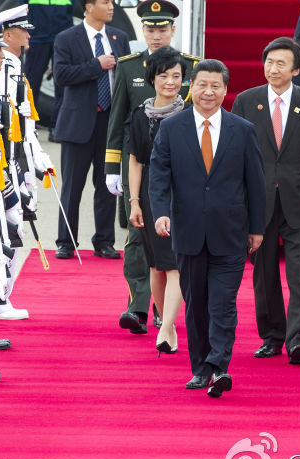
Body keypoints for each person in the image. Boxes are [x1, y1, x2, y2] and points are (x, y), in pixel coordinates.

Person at [148, 59, 266, 398]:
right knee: (196, 305)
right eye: (202, 85)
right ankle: (200, 369)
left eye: (216, 86)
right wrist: (160, 213)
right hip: (187, 231)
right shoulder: (172, 128)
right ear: (191, 87)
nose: (208, 92)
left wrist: (257, 227)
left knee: (222, 304)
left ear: (225, 90)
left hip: (230, 232)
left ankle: (218, 366)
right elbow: (159, 175)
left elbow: (255, 183)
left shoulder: (242, 129)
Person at [105, 0, 200, 337]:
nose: (156, 34)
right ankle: (139, 307)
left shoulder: (192, 67)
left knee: (172, 243)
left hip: (180, 172)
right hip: (139, 166)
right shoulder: (129, 66)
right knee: (137, 238)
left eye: (162, 29)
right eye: (150, 28)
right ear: (142, 30)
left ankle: (164, 310)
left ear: (173, 30)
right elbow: (118, 119)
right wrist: (112, 167)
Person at [231, 37, 300, 365]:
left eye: (281, 63)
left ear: (295, 70)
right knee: (264, 274)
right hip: (259, 202)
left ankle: (296, 339)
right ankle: (272, 336)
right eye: (269, 62)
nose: (273, 69)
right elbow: (235, 156)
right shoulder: (246, 101)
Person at [53, 0, 130, 260]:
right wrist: (96, 65)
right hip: (78, 123)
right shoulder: (67, 38)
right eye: (105, 2)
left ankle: (104, 241)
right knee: (72, 187)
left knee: (108, 184)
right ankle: (66, 241)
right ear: (89, 6)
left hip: (110, 122)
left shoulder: (119, 37)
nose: (111, 7)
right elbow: (61, 75)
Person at [127, 47, 186, 354]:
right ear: (152, 78)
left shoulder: (190, 115)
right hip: (152, 194)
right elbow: (135, 161)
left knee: (175, 264)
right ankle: (167, 322)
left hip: (184, 194)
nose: (170, 82)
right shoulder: (140, 115)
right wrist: (134, 201)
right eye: (164, 76)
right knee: (156, 266)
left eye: (177, 76)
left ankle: (165, 327)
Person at [22, 0, 74, 142]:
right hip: (37, 35)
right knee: (30, 84)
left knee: (62, 85)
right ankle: (28, 127)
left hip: (62, 35)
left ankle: (57, 127)